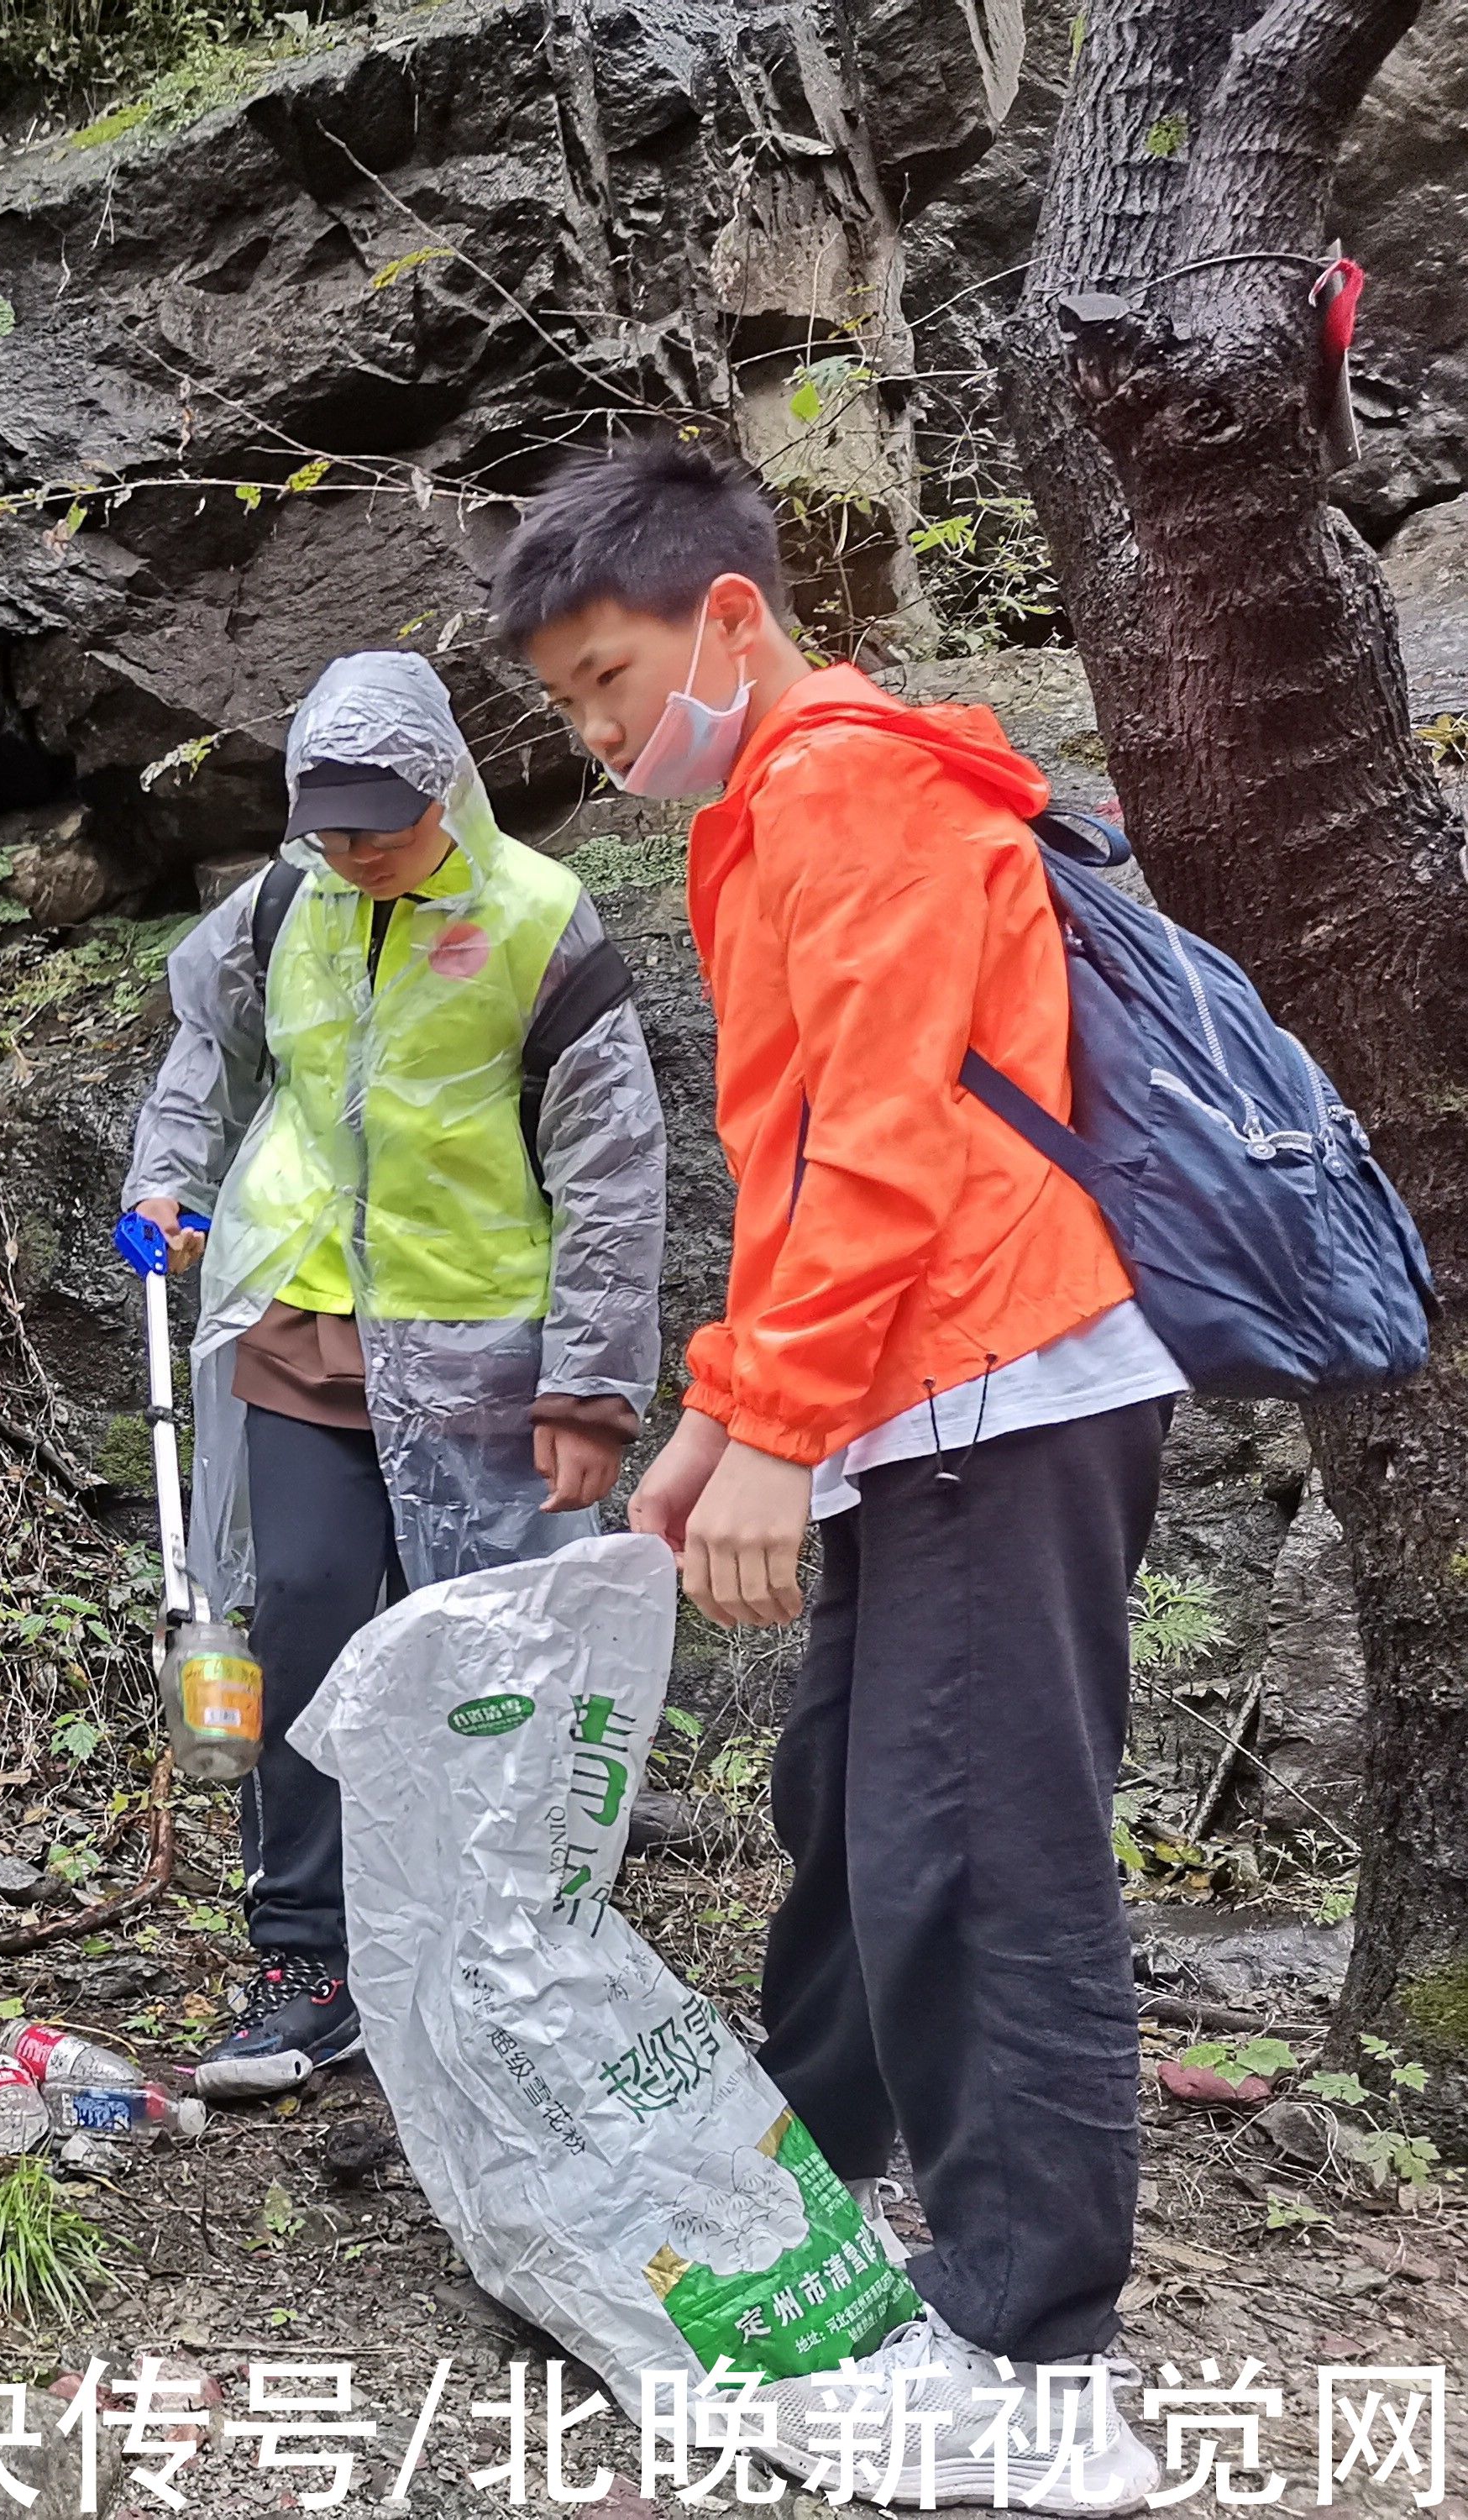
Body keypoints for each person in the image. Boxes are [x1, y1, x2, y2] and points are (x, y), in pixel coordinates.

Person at [496, 439, 1177, 2512]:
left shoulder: (855, 781)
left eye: (609, 681)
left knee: (977, 1853)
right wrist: (718, 1424)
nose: (603, 737)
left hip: (987, 1375)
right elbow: (793, 1173)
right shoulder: (771, 806)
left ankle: (1036, 2359)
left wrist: (778, 1434)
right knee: (853, 1819)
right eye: (569, 708)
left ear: (726, 617)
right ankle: (809, 2208)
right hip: (902, 1383)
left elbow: (886, 1150)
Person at [123, 649, 667, 2097]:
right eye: (333, 823)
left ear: (448, 789)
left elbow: (611, 1174)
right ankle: (305, 1965)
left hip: (486, 1358)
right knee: (299, 1622)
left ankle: (490, 1962)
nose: (357, 849)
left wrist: (593, 1388)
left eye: (382, 822)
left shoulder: (540, 921)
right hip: (303, 1330)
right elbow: (206, 1048)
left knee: (482, 1659)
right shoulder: (288, 902)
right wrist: (170, 1179)